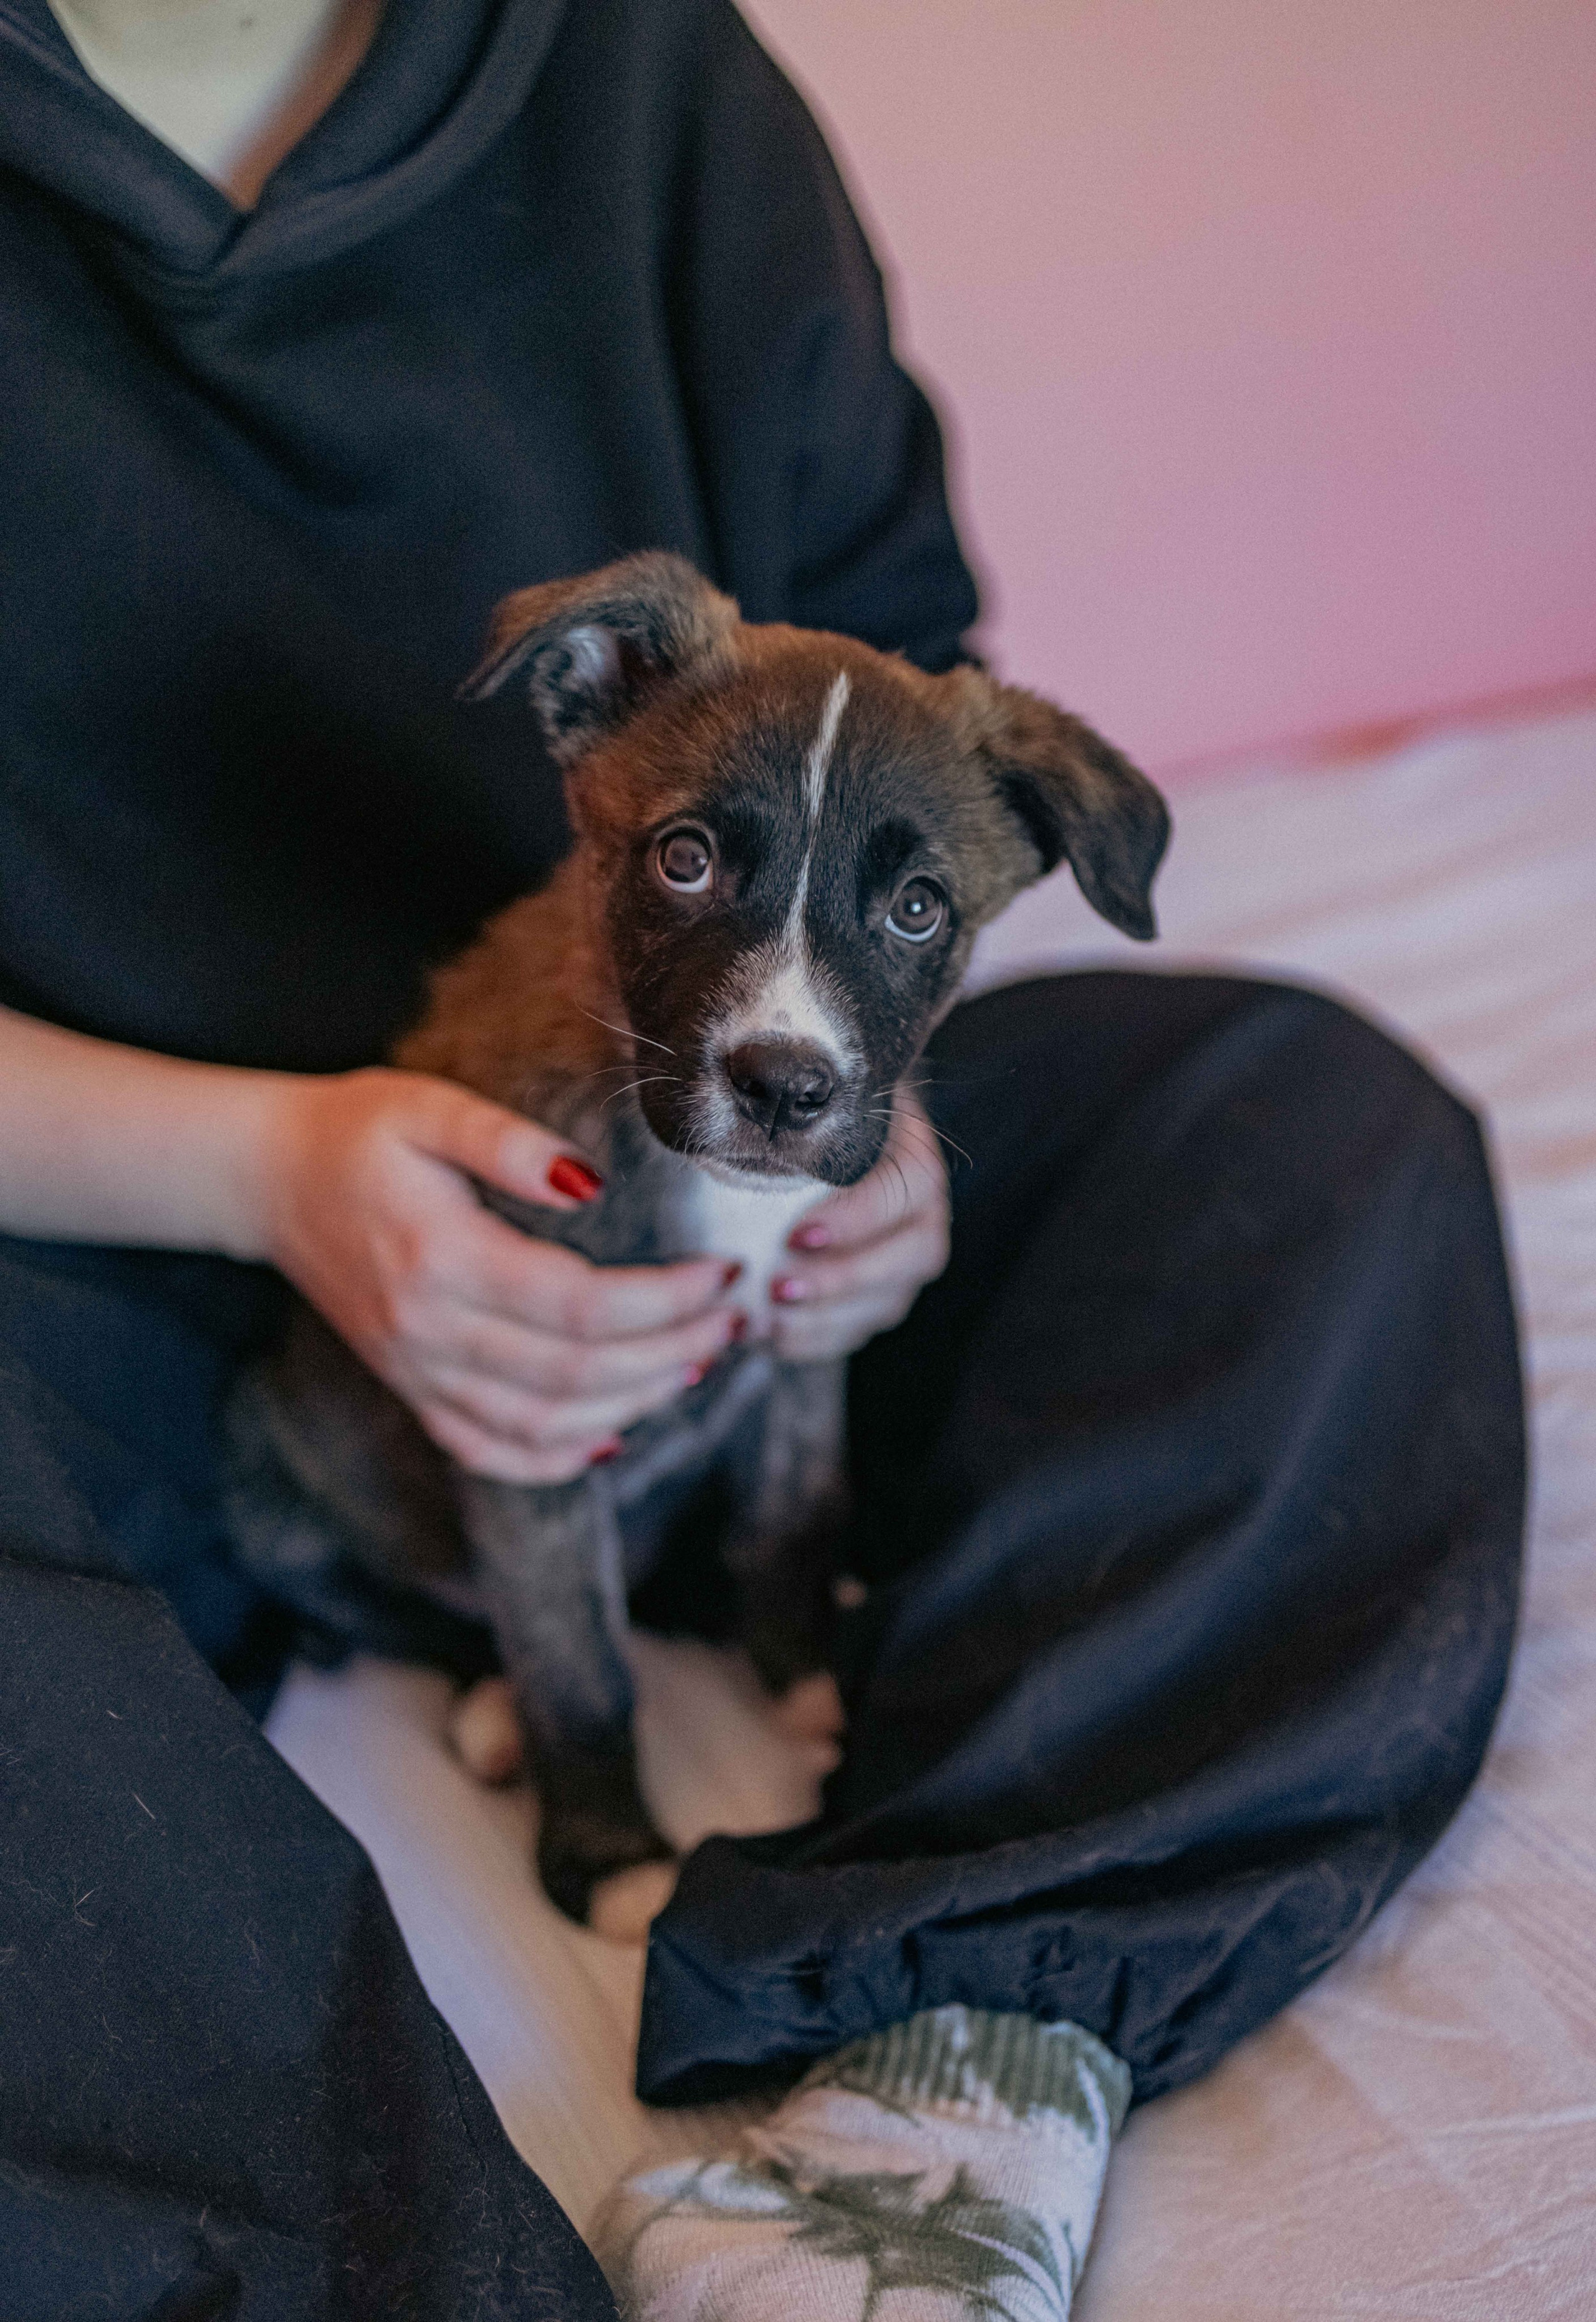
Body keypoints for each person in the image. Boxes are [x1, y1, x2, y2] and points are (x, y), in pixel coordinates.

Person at [0, 1, 1524, 2315]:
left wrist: (888, 1159)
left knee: (1312, 1128)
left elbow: (898, 732)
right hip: (108, 1231)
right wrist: (266, 1169)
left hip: (707, 1139)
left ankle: (927, 2047)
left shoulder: (647, 77)